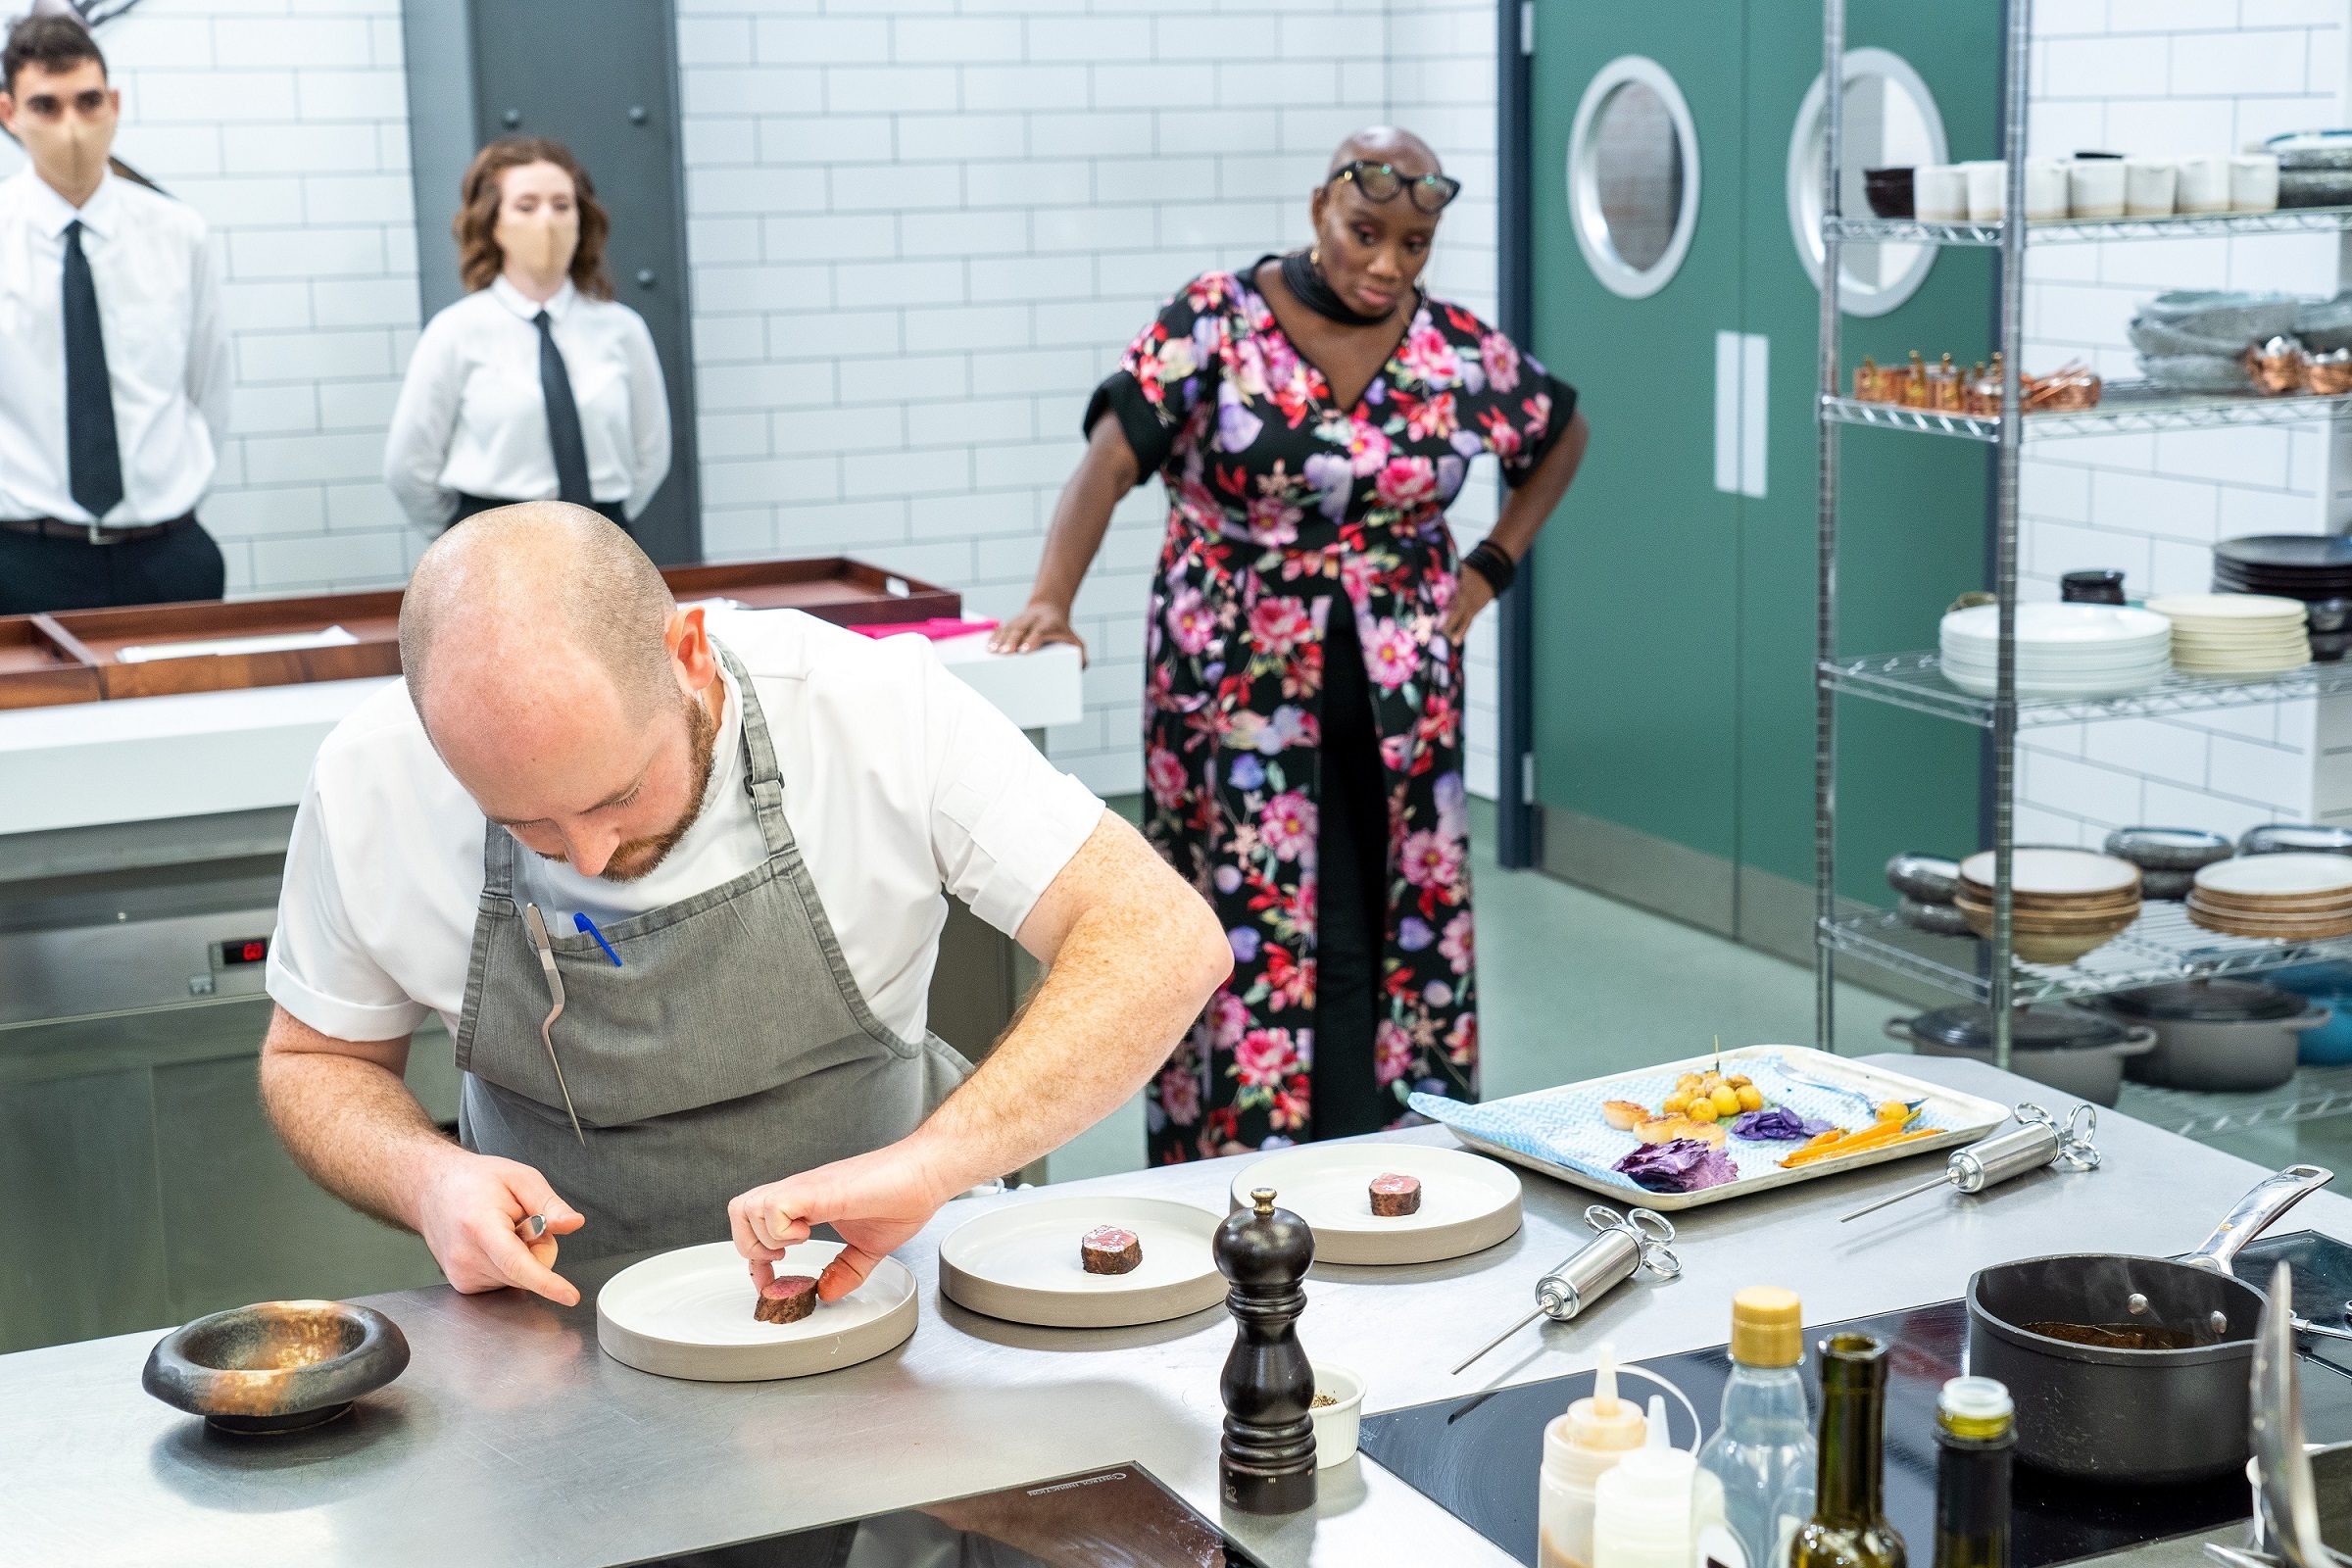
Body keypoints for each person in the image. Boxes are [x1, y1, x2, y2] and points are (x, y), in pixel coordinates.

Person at [258, 503, 1229, 1306]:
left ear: (688, 655)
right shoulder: (369, 780)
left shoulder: (868, 707)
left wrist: (938, 1160)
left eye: (616, 798)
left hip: (877, 1287)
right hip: (558, 1320)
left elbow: (1158, 935)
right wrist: (427, 1178)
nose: (590, 856)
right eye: (528, 826)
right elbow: (313, 1061)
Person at [993, 127, 1590, 1163]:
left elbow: (1560, 431)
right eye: (1366, 233)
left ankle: (1392, 1154)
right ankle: (1235, 1168)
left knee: (1392, 902)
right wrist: (1052, 597)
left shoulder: (1453, 347)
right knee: (1239, 911)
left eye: (1414, 245)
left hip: (1402, 690)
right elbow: (1110, 458)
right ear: (1321, 207)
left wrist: (1493, 562)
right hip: (1233, 685)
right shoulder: (1217, 320)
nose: (1386, 264)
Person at [0, 16, 231, 614]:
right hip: (23, 558)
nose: (72, 126)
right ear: (9, 113)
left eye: (88, 101)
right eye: (45, 106)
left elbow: (208, 389)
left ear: (115, 104)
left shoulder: (178, 233)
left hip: (166, 553)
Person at [383, 137, 669, 535]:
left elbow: (650, 458)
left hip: (601, 542)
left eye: (562, 205)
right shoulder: (455, 332)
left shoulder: (623, 330)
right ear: (493, 221)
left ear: (581, 218)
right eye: (526, 206)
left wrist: (595, 529)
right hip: (492, 543)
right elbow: (409, 468)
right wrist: (465, 539)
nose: (547, 221)